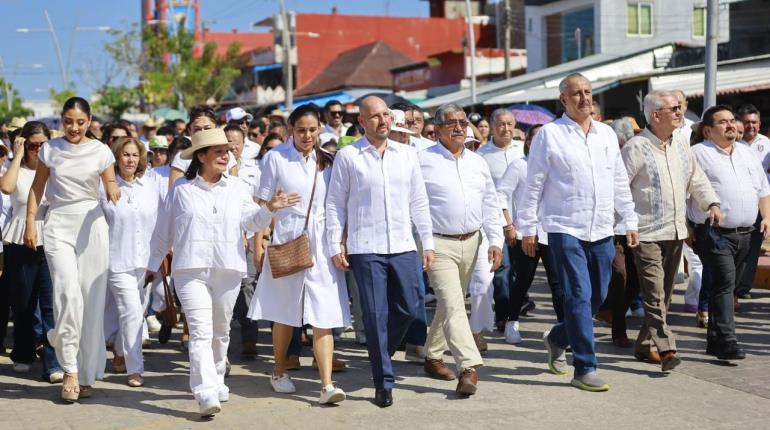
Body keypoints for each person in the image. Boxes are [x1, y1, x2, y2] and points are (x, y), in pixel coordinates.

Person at [148, 128, 298, 417]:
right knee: (201, 332)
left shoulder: (238, 188)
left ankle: (217, 379)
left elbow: (252, 223)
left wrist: (270, 209)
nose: (226, 156)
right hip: (189, 270)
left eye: (227, 151)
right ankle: (204, 392)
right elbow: (162, 233)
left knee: (220, 331)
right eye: (218, 152)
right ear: (201, 156)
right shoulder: (181, 190)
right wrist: (151, 268)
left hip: (228, 268)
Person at [518, 73, 639, 392]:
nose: (584, 98)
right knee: (578, 295)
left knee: (597, 296)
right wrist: (528, 227)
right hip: (563, 227)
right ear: (563, 100)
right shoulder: (549, 136)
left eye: (588, 92)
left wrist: (629, 219)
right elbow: (534, 185)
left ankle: (557, 337)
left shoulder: (606, 135)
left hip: (601, 227)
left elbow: (618, 180)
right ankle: (585, 366)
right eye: (576, 94)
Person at [326, 95, 434, 407]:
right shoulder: (349, 157)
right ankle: (383, 381)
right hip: (366, 246)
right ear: (362, 122)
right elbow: (335, 205)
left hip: (402, 245)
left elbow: (419, 201)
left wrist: (427, 243)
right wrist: (336, 244)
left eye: (386, 115)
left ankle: (381, 347)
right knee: (374, 313)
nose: (382, 121)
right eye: (374, 117)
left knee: (410, 305)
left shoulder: (406, 155)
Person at [247, 104, 350, 404]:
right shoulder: (276, 158)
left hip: (323, 244)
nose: (307, 135)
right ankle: (279, 371)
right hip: (288, 241)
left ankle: (327, 385)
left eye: (313, 129)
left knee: (324, 312)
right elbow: (260, 200)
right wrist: (264, 230)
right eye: (301, 129)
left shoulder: (328, 162)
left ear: (320, 130)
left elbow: (337, 206)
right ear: (291, 129)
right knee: (284, 312)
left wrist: (340, 243)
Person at [24, 97, 121, 402]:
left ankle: (88, 371)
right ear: (61, 121)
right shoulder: (51, 149)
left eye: (80, 121)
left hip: (92, 225)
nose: (74, 127)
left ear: (90, 120)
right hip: (58, 224)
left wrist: (114, 190)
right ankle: (70, 370)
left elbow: (110, 183)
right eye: (68, 121)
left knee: (91, 302)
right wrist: (30, 222)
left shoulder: (101, 151)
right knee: (67, 294)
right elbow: (37, 188)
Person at [621, 91, 720, 371]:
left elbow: (696, 178)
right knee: (654, 294)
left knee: (663, 294)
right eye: (674, 109)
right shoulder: (636, 147)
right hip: (646, 233)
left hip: (675, 231)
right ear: (655, 115)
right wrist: (626, 223)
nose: (680, 113)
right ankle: (666, 349)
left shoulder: (681, 144)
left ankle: (643, 345)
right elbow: (619, 188)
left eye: (680, 108)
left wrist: (711, 202)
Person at [418, 103, 502, 396]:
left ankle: (431, 355)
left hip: (473, 241)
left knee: (449, 302)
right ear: (438, 128)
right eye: (451, 122)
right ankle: (468, 367)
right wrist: (423, 243)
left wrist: (495, 239)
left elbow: (490, 202)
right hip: (437, 243)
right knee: (454, 304)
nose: (458, 127)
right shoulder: (422, 161)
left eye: (462, 122)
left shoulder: (477, 162)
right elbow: (415, 205)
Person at [688, 105, 770, 361]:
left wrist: (767, 216)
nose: (731, 125)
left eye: (732, 120)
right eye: (723, 122)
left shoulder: (747, 154)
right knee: (724, 282)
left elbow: (762, 189)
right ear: (709, 130)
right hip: (713, 232)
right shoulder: (697, 154)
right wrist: (687, 227)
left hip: (746, 233)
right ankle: (728, 340)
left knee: (729, 286)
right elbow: (683, 192)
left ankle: (714, 340)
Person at [0, 121, 63, 383]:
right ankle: (24, 353)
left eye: (42, 144)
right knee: (24, 303)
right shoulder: (17, 168)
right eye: (32, 144)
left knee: (51, 305)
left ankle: (52, 362)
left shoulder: (56, 169)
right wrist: (16, 156)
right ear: (24, 143)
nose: (37, 149)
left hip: (51, 238)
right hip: (19, 239)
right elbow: (6, 187)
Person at [101, 136, 163, 387]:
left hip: (145, 263)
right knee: (133, 314)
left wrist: (158, 258)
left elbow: (161, 222)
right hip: (116, 261)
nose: (130, 159)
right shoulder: (104, 186)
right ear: (117, 157)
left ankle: (119, 353)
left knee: (130, 313)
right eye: (125, 154)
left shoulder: (150, 186)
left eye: (135, 155)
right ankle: (135, 369)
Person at [497, 124, 566, 344]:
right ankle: (512, 322)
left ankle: (564, 330)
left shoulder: (558, 167)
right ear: (528, 142)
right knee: (523, 281)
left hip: (553, 232)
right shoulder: (519, 166)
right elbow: (500, 196)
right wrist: (509, 225)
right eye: (536, 138)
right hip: (526, 233)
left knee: (558, 283)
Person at [476, 108, 524, 330]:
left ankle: (516, 309)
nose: (506, 129)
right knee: (501, 269)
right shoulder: (482, 155)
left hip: (524, 221)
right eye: (501, 125)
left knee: (521, 270)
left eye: (509, 124)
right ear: (492, 127)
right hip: (497, 222)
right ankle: (503, 314)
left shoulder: (523, 151)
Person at [736, 104, 770, 301]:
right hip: (740, 203)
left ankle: (743, 288)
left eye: (754, 122)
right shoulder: (733, 144)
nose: (750, 126)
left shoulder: (766, 144)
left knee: (754, 247)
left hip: (761, 204)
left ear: (759, 124)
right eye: (747, 122)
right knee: (739, 246)